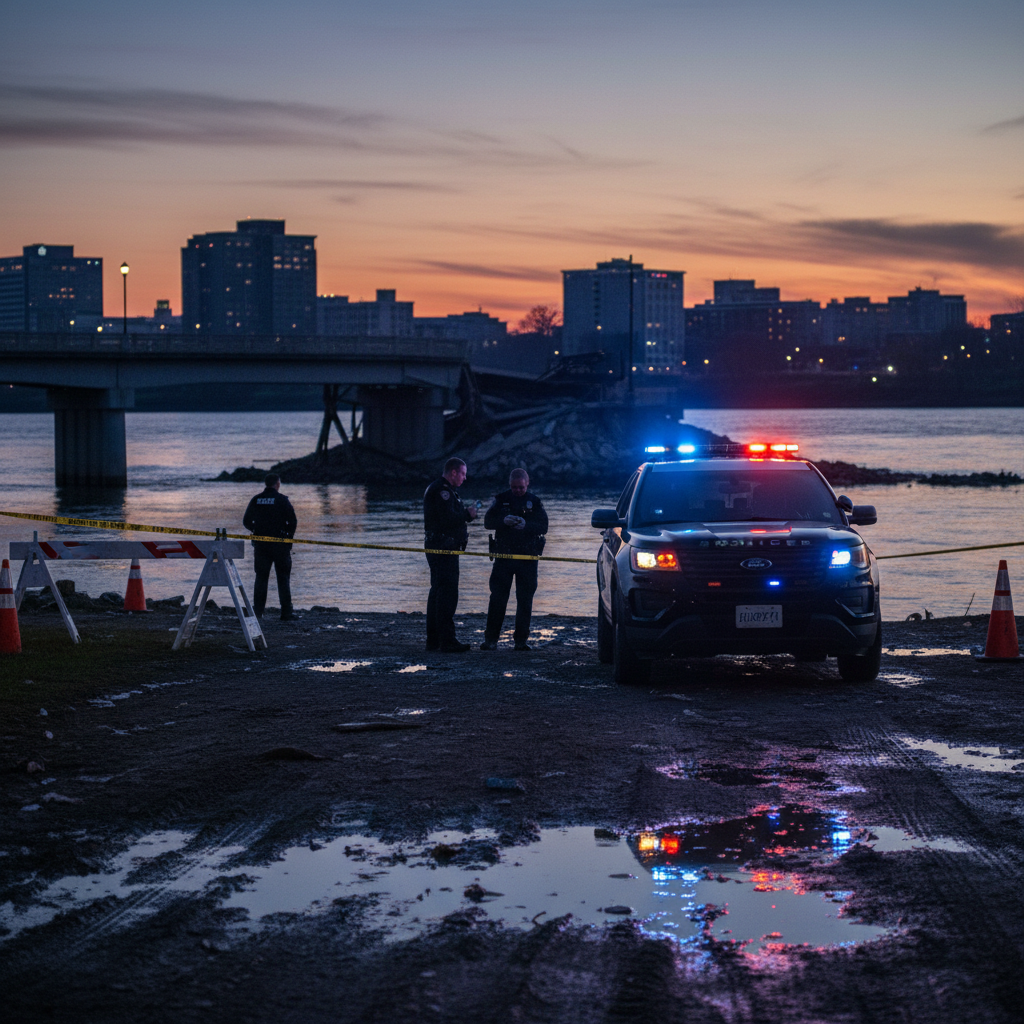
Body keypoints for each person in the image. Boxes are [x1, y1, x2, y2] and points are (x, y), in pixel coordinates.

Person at [481, 468, 548, 651]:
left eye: (520, 487)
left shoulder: (534, 502)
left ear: (527, 484)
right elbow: (487, 522)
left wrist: (526, 525)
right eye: (514, 487)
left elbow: (544, 526)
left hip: (528, 558)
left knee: (525, 600)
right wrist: (503, 520)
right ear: (509, 485)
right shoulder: (501, 499)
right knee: (497, 599)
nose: (517, 490)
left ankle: (520, 641)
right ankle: (491, 640)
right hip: (504, 557)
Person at [423, 457, 478, 652]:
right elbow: (447, 519)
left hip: (440, 546)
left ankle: (434, 640)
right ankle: (446, 640)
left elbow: (445, 517)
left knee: (437, 591)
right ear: (453, 472)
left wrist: (464, 515)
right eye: (463, 473)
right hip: (443, 549)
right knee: (447, 593)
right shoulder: (443, 491)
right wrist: (467, 514)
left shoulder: (442, 489)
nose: (465, 477)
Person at [243, 473, 298, 621]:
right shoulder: (282, 500)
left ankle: (258, 613)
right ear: (277, 484)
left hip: (261, 545)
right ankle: (286, 613)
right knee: (283, 578)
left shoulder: (256, 499)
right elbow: (293, 521)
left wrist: (256, 530)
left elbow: (246, 521)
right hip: (280, 545)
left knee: (261, 578)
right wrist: (288, 538)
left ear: (266, 484)